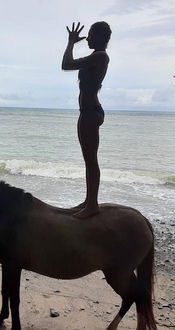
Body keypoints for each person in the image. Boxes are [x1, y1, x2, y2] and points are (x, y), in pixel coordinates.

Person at [62, 21, 111, 218]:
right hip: (88, 112)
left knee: (91, 160)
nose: (88, 38)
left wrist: (71, 42)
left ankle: (92, 205)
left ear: (99, 37)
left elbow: (66, 65)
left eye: (90, 35)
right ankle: (88, 201)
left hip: (91, 113)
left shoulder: (100, 56)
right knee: (88, 159)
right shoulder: (95, 56)